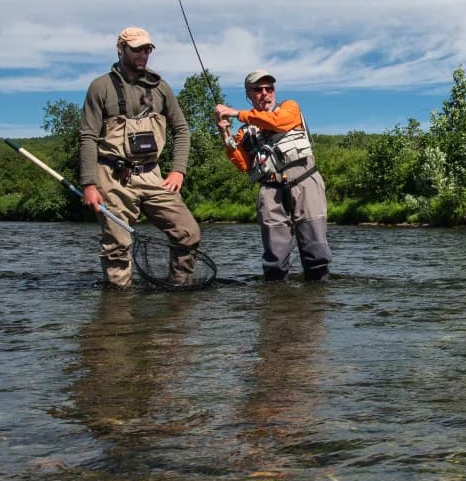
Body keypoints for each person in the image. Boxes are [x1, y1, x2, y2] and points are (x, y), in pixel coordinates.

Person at [79, 27, 201, 287]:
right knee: (118, 246)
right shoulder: (100, 87)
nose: (143, 55)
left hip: (152, 174)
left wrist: (178, 169)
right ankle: (117, 310)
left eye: (147, 49)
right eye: (136, 49)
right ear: (120, 49)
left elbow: (181, 129)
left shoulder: (161, 88)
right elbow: (87, 137)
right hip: (112, 176)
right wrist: (89, 184)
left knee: (188, 233)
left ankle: (179, 294)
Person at [215, 70, 332, 281]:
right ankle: (277, 304)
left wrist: (234, 113)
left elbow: (278, 122)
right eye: (258, 90)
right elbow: (244, 164)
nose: (265, 93)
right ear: (248, 95)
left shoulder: (290, 108)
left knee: (316, 252)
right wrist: (225, 134)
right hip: (269, 190)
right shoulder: (245, 131)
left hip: (305, 183)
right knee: (275, 261)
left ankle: (318, 304)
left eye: (269, 88)